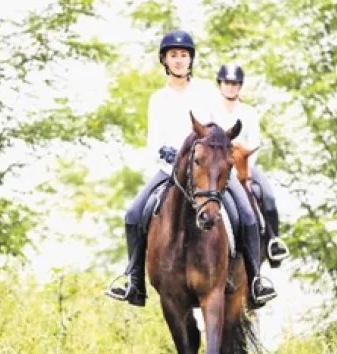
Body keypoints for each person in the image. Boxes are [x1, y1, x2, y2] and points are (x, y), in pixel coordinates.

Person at [105, 31, 277, 308]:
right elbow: (153, 142)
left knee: (246, 214)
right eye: (173, 55)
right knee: (133, 213)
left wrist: (210, 155)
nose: (179, 60)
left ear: (190, 60)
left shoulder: (207, 93)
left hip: (207, 171)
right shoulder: (157, 100)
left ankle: (256, 281)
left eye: (183, 55)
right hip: (170, 170)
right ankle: (134, 280)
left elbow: (219, 131)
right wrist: (167, 154)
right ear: (164, 60)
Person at [214, 63, 290, 265]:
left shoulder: (249, 112)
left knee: (268, 197)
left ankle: (273, 242)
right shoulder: (211, 111)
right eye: (227, 83)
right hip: (219, 167)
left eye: (235, 84)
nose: (231, 87)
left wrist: (245, 170)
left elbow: (255, 142)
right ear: (220, 84)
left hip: (244, 164)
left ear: (240, 86)